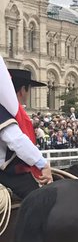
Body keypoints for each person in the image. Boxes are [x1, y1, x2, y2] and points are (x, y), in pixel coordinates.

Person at [0, 69, 53, 199]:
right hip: (5, 172)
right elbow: (16, 140)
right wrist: (43, 164)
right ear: (23, 90)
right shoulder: (4, 112)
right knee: (41, 198)